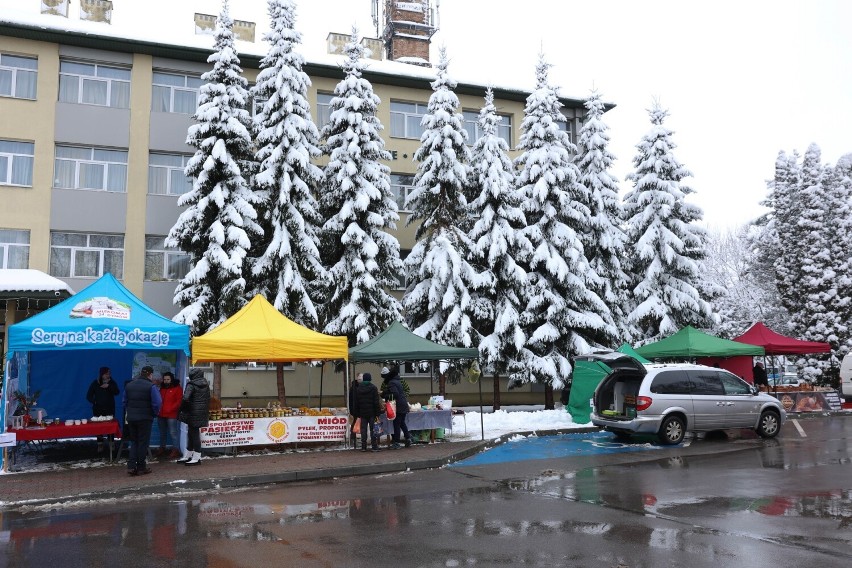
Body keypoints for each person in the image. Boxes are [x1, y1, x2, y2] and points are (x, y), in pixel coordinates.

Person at [122, 365, 161, 475]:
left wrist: (130, 411)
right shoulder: (151, 386)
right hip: (145, 418)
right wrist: (154, 413)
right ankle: (141, 467)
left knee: (134, 441)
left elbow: (124, 401)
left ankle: (131, 466)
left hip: (131, 418)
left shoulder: (129, 385)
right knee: (143, 442)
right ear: (150, 374)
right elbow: (157, 403)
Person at [178, 368, 210, 466]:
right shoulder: (206, 384)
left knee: (193, 434)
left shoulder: (191, 385)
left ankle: (196, 457)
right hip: (202, 412)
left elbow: (185, 398)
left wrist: (182, 409)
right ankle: (189, 455)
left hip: (192, 412)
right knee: (192, 433)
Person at [86, 366, 119, 452]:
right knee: (98, 427)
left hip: (109, 409)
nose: (108, 375)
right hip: (98, 409)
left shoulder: (112, 382)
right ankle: (100, 444)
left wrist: (109, 386)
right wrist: (95, 402)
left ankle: (111, 443)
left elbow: (117, 392)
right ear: (102, 374)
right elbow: (88, 396)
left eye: (109, 373)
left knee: (110, 427)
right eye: (106, 374)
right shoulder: (95, 383)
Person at [382, 365, 412, 449]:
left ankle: (397, 443)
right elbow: (394, 391)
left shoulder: (391, 382)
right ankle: (408, 438)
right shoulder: (397, 381)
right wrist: (385, 392)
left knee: (396, 424)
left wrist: (386, 396)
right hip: (403, 404)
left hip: (398, 406)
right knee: (402, 423)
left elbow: (395, 394)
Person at [155, 371, 183, 459]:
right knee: (162, 432)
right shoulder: (161, 388)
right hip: (161, 414)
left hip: (171, 414)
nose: (166, 381)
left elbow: (179, 401)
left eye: (168, 379)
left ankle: (176, 450)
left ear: (171, 379)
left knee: (173, 432)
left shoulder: (177, 388)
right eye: (165, 379)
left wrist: (170, 408)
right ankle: (162, 447)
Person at [352, 372, 382, 452]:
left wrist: (357, 413)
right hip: (372, 413)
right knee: (373, 429)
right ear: (370, 379)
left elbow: (356, 402)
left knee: (363, 430)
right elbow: (376, 402)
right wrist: (377, 413)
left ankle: (363, 446)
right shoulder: (373, 388)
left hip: (362, 413)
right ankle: (374, 446)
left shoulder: (358, 389)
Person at [348, 373, 362, 450]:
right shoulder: (355, 388)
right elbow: (352, 399)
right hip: (356, 408)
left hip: (355, 408)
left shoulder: (353, 387)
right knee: (356, 423)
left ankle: (353, 437)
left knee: (355, 423)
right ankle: (353, 438)